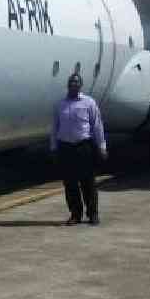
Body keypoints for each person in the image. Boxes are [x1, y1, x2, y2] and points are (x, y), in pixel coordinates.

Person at [50, 73, 108, 226]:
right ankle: (75, 214)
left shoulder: (89, 102)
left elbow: (97, 126)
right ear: (68, 85)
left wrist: (102, 146)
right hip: (66, 148)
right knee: (70, 183)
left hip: (83, 146)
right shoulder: (60, 105)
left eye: (76, 82)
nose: (73, 84)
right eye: (71, 82)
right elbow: (55, 128)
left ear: (81, 85)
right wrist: (54, 147)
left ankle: (93, 214)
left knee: (88, 182)